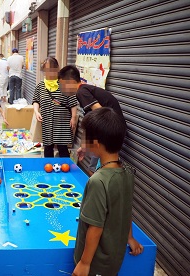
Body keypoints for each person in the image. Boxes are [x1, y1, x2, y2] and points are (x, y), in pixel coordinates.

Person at [73, 107, 143, 276]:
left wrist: (84, 263)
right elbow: (125, 209)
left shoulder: (98, 181)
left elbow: (95, 227)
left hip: (94, 263)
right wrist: (130, 237)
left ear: (95, 144)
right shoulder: (127, 172)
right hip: (112, 261)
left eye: (85, 136)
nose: (82, 140)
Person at [59, 65, 125, 175]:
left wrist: (86, 144)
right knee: (97, 167)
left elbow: (100, 113)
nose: (61, 89)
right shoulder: (85, 90)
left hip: (110, 130)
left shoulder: (82, 92)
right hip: (112, 130)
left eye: (62, 85)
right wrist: (84, 145)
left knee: (97, 169)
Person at [32, 57, 78, 158]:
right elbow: (36, 100)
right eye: (46, 70)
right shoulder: (40, 85)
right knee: (48, 148)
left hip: (62, 123)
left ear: (57, 69)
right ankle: (48, 169)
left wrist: (73, 117)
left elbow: (73, 102)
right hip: (47, 122)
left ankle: (65, 169)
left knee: (63, 148)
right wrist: (36, 112)